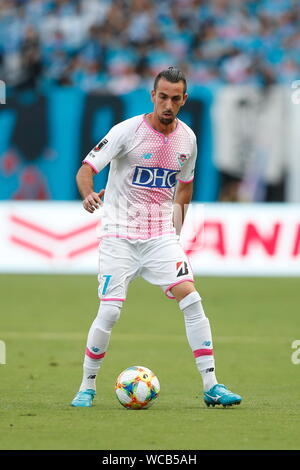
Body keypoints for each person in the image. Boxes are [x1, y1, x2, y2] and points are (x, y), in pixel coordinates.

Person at [71, 67, 242, 408]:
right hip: (119, 235)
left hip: (159, 237)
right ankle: (86, 386)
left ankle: (211, 384)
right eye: (162, 96)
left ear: (184, 100)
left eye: (174, 99)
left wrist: (174, 235)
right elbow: (86, 169)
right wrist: (88, 194)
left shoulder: (187, 139)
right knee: (110, 313)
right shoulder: (126, 131)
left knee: (192, 299)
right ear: (152, 95)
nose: (168, 104)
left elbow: (184, 189)